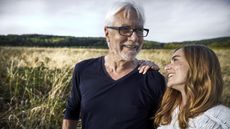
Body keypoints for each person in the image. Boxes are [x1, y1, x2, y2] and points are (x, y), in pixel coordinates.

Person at [62, 1, 165, 129]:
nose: (134, 38)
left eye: (138, 30)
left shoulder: (153, 79)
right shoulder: (83, 70)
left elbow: (165, 123)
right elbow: (71, 113)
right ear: (107, 32)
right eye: (125, 29)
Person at [154, 45, 230, 129]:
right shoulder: (172, 110)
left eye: (175, 60)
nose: (166, 67)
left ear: (199, 65)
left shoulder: (218, 121)